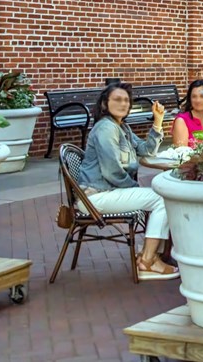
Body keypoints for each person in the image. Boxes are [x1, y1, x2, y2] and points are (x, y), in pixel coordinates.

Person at [77, 83, 177, 280]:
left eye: (126, 100)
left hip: (109, 192)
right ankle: (148, 261)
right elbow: (112, 171)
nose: (123, 103)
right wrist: (136, 188)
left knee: (161, 197)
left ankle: (152, 255)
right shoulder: (106, 128)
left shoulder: (122, 127)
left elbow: (146, 150)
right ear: (105, 104)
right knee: (163, 199)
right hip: (97, 196)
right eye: (117, 99)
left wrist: (158, 122)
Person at [171, 78, 203, 148]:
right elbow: (181, 153)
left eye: (202, 96)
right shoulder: (182, 121)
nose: (198, 100)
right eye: (194, 96)